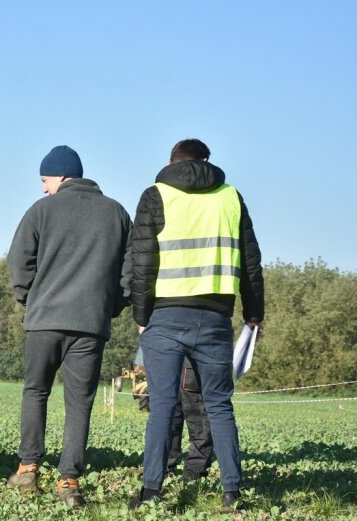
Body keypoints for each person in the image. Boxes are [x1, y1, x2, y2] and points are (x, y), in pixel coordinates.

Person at [129, 139, 264, 513]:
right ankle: (232, 492)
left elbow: (142, 262)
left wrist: (141, 317)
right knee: (219, 406)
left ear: (171, 161)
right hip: (216, 316)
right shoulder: (231, 197)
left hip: (164, 316)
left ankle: (152, 490)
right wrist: (254, 314)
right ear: (207, 161)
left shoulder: (155, 195)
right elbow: (251, 262)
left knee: (161, 405)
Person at [6, 145, 132, 509]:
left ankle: (28, 467)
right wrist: (112, 306)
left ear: (60, 176)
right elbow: (132, 270)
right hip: (91, 324)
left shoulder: (41, 210)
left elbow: (19, 261)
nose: (44, 188)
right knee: (79, 403)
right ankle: (69, 480)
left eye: (45, 180)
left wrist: (29, 301)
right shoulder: (117, 213)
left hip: (44, 321)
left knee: (36, 391)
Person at [167, 356, 214, 480]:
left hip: (177, 357)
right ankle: (195, 468)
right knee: (194, 416)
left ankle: (194, 469)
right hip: (185, 358)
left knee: (193, 416)